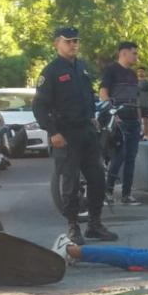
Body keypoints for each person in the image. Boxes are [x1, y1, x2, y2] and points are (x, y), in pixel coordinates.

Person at [33, 26, 119, 245]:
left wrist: (92, 117)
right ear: (57, 44)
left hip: (87, 132)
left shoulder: (81, 67)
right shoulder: (50, 71)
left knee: (98, 179)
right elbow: (40, 107)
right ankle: (73, 227)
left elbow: (87, 97)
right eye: (68, 41)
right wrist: (53, 132)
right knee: (70, 184)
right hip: (66, 134)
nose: (73, 45)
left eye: (76, 41)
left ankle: (94, 224)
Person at [100, 41, 142, 206]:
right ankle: (108, 191)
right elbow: (103, 93)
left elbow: (136, 97)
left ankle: (127, 194)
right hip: (119, 120)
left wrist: (139, 119)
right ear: (123, 53)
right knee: (119, 156)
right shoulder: (111, 71)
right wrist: (112, 113)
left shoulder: (132, 74)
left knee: (131, 157)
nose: (136, 56)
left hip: (133, 119)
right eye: (134, 53)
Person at [136, 67, 148, 139]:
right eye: (139, 71)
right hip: (137, 104)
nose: (140, 73)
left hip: (146, 104)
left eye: (142, 71)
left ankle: (146, 135)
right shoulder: (134, 81)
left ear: (144, 73)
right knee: (138, 120)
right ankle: (139, 133)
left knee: (146, 121)